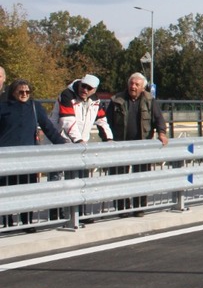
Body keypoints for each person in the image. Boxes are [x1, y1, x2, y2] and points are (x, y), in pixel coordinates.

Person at [0, 79, 68, 229]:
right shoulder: (3, 107)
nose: (24, 94)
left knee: (27, 191)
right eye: (21, 92)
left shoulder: (35, 107)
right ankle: (7, 222)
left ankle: (27, 222)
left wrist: (63, 143)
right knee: (7, 190)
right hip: (6, 156)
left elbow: (48, 127)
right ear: (13, 92)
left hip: (27, 157)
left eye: (27, 92)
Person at [107, 72, 169, 216]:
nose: (133, 87)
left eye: (136, 84)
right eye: (131, 83)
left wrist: (162, 133)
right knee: (120, 178)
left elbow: (158, 118)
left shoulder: (149, 100)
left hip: (142, 146)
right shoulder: (117, 100)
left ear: (143, 87)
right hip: (120, 145)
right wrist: (107, 138)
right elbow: (106, 121)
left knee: (141, 177)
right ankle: (122, 208)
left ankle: (139, 207)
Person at [51, 74, 112, 143]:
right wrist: (78, 140)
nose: (85, 90)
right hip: (61, 140)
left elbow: (102, 121)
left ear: (94, 90)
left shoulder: (95, 100)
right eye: (83, 86)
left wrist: (109, 139)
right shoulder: (67, 95)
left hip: (82, 142)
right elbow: (67, 121)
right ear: (80, 84)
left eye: (89, 88)